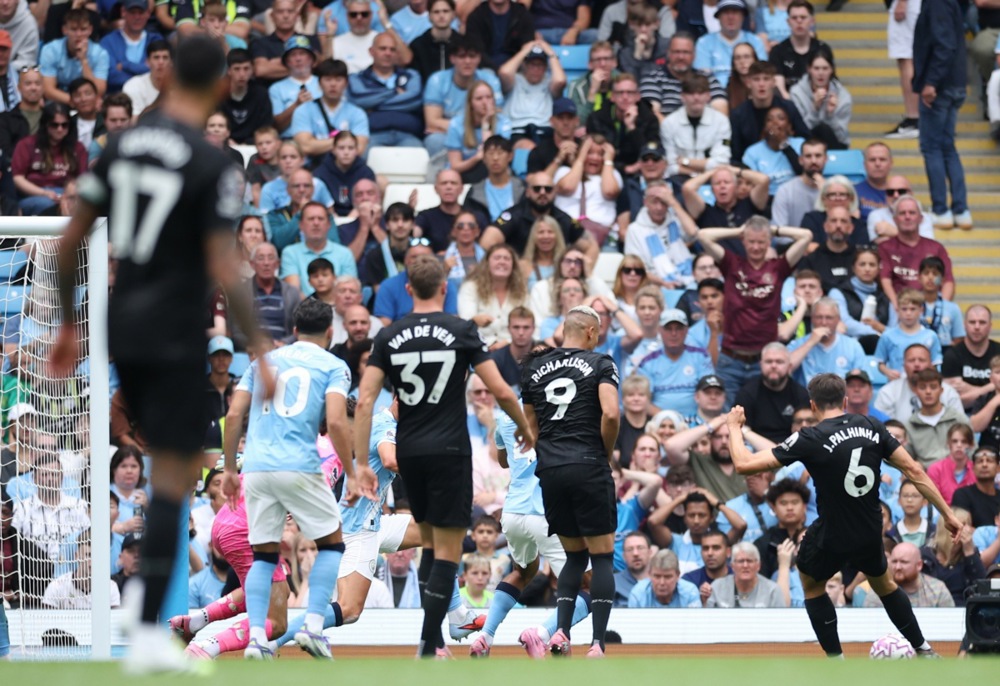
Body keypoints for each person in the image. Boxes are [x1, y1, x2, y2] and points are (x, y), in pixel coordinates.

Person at [50, 35, 275, 675]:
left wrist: (68, 324)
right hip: (177, 331)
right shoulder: (210, 164)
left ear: (170, 76)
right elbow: (226, 268)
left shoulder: (118, 145)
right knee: (174, 476)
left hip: (120, 323)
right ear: (219, 88)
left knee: (148, 461)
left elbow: (71, 242)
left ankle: (146, 623)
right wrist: (258, 350)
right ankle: (148, 631)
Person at [354, 254, 533, 658]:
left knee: (431, 543)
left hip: (411, 453)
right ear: (445, 288)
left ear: (407, 289)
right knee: (446, 552)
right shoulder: (462, 330)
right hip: (450, 450)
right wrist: (525, 428)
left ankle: (435, 640)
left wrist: (363, 465)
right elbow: (502, 391)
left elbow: (365, 401)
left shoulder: (389, 336)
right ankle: (426, 646)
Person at [726, 372, 964, 657]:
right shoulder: (871, 425)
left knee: (811, 583)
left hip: (832, 532)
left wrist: (733, 427)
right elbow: (914, 470)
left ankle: (837, 661)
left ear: (813, 406)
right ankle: (924, 649)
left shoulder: (810, 437)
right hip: (869, 529)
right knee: (885, 584)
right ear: (846, 400)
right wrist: (947, 514)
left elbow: (743, 464)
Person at [223, 298, 373, 659]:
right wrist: (352, 474)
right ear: (330, 331)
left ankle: (257, 639)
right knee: (333, 545)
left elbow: (233, 414)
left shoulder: (263, 363)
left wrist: (230, 468)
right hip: (299, 464)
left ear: (293, 330)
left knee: (264, 555)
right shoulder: (334, 366)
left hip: (256, 468)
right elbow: (337, 422)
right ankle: (314, 627)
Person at [520, 306, 619, 657]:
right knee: (603, 558)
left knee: (574, 556)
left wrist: (546, 449)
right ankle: (597, 644)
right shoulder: (601, 363)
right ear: (591, 332)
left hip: (551, 469)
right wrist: (605, 452)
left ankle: (561, 632)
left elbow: (528, 424)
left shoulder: (533, 367)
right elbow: (610, 413)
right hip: (589, 464)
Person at [696, 216, 813, 406]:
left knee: (762, 416)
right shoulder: (731, 264)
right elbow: (703, 235)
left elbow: (806, 236)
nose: (756, 247)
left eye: (761, 242)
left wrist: (773, 230)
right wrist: (740, 231)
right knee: (729, 421)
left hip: (763, 362)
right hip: (731, 359)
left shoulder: (778, 267)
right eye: (751, 241)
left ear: (769, 242)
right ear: (743, 241)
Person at [912, 0, 971, 230]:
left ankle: (941, 209)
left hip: (939, 87)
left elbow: (944, 45)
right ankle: (961, 210)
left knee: (932, 147)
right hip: (954, 83)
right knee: (947, 147)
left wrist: (930, 82)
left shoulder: (936, 3)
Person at [347, 32, 423, 148]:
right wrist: (394, 92)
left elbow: (414, 100)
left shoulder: (411, 76)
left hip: (408, 135)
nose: (388, 53)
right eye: (383, 49)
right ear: (371, 51)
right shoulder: (357, 78)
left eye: (392, 50)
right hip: (370, 135)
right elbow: (358, 99)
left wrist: (373, 105)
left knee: (419, 160)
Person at [11, 102, 88, 215]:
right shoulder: (27, 144)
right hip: (35, 195)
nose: (60, 129)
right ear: (45, 125)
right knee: (47, 204)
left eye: (64, 125)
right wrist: (44, 193)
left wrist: (68, 196)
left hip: (68, 194)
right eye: (54, 125)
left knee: (76, 203)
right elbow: (17, 178)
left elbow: (83, 179)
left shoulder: (78, 147)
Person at [877, 197, 954, 308]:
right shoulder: (885, 247)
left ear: (921, 218)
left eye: (912, 213)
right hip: (897, 307)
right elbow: (885, 280)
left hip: (930, 307)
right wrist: (897, 308)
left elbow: (947, 281)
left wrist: (942, 309)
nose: (907, 217)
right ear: (895, 219)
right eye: (902, 213)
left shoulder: (936, 248)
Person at [729, 60, 809, 164]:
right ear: (748, 83)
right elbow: (735, 151)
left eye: (766, 79)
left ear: (774, 82)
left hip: (786, 163)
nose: (761, 84)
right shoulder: (738, 114)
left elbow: (805, 138)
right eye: (756, 79)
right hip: (752, 166)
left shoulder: (788, 107)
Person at [662, 72, 733, 188]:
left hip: (712, 180)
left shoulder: (722, 122)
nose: (696, 98)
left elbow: (722, 162)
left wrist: (685, 161)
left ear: (709, 96)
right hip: (679, 180)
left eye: (700, 93)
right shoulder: (669, 123)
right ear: (682, 96)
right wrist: (698, 171)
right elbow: (670, 165)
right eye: (691, 93)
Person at [640, 32, 728, 120]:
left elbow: (721, 112)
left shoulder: (708, 79)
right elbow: (652, 114)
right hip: (665, 132)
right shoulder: (653, 79)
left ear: (694, 55)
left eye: (686, 52)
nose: (681, 57)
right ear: (668, 53)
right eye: (676, 52)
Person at [734, 342, 810, 443]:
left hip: (792, 449)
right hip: (755, 449)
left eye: (779, 362)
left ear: (789, 366)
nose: (773, 366)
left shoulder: (801, 394)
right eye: (769, 361)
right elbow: (740, 432)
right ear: (760, 365)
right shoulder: (747, 393)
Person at [585, 73, 659, 176]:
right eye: (620, 93)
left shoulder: (649, 119)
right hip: (605, 172)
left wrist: (632, 128)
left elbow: (651, 156)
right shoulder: (597, 118)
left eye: (630, 93)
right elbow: (594, 156)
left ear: (638, 96)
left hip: (639, 174)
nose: (625, 97)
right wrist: (624, 169)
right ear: (612, 97)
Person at [458, 244, 529, 349]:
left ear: (513, 265)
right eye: (497, 258)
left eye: (507, 259)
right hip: (478, 349)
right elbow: (466, 323)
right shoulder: (470, 288)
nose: (502, 262)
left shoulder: (522, 291)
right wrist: (490, 343)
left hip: (514, 349)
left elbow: (529, 323)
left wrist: (508, 343)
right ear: (487, 263)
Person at [498, 42, 565, 149]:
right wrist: (524, 51)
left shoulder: (549, 82)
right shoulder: (515, 80)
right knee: (529, 148)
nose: (536, 69)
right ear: (524, 65)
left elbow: (560, 81)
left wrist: (551, 53)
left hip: (545, 131)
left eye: (540, 65)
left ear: (545, 67)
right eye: (532, 64)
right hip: (517, 131)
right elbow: (504, 72)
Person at [39, 8, 110, 105]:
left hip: (89, 102)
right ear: (64, 30)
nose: (79, 34)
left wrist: (84, 60)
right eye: (73, 29)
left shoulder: (100, 54)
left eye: (83, 29)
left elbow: (99, 91)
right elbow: (48, 90)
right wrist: (76, 102)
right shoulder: (50, 50)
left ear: (90, 30)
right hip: (59, 100)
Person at [787, 298, 866, 385]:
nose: (824, 322)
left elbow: (861, 384)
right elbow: (785, 369)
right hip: (807, 396)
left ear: (838, 320)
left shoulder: (853, 346)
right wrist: (810, 342)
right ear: (812, 319)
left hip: (840, 396)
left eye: (829, 318)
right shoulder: (798, 343)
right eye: (819, 317)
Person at [875, 343, 963, 421]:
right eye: (911, 360)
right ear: (904, 366)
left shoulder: (948, 393)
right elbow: (882, 430)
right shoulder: (888, 393)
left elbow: (961, 427)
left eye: (922, 360)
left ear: (931, 365)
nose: (917, 365)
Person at [827, 247, 891, 354]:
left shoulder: (885, 296)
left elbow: (894, 329)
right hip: (848, 348)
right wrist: (875, 332)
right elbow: (845, 322)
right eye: (862, 264)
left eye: (872, 265)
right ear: (853, 268)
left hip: (883, 348)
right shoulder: (838, 292)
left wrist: (879, 327)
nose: (867, 269)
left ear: (878, 269)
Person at [692, 0, 767, 88]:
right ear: (718, 17)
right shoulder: (704, 43)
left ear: (743, 17)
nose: (730, 17)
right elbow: (702, 78)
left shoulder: (755, 41)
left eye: (735, 12)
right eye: (726, 13)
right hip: (714, 95)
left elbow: (762, 73)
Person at [789, 46, 852, 150]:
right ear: (809, 69)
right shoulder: (797, 93)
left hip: (834, 145)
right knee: (820, 129)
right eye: (816, 68)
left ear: (832, 70)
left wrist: (830, 116)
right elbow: (799, 132)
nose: (820, 73)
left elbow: (843, 138)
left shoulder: (843, 96)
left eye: (825, 68)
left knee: (825, 129)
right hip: (806, 145)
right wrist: (815, 109)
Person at [861, 541, 955, 609]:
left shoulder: (938, 589)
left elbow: (949, 626)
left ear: (919, 565)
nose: (897, 567)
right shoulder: (879, 591)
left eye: (903, 562)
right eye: (894, 561)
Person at [874, 288, 943, 378]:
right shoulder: (887, 335)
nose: (908, 313)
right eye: (904, 309)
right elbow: (880, 362)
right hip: (896, 384)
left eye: (913, 309)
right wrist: (888, 372)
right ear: (897, 310)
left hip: (922, 384)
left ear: (921, 310)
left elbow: (935, 364)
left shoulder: (930, 336)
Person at [100, 0, 163, 94]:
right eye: (132, 12)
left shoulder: (156, 40)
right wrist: (144, 70)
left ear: (148, 14)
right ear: (123, 12)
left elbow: (160, 72)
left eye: (141, 12)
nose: (137, 17)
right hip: (117, 98)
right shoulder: (107, 42)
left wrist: (125, 65)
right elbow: (111, 76)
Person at [944, 306, 1000, 410]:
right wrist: (992, 387)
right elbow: (955, 401)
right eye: (972, 322)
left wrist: (969, 389)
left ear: (990, 326)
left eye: (982, 322)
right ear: (964, 325)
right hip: (962, 415)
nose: (977, 327)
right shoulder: (952, 354)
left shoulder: (998, 352)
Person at [768, 0, 828, 98]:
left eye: (803, 17)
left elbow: (829, 83)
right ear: (788, 22)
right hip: (787, 106)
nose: (799, 21)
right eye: (794, 18)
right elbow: (779, 89)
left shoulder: (823, 49)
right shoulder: (777, 51)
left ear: (812, 21)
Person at [705, 541, 786, 607]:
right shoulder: (717, 587)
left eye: (750, 561)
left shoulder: (772, 591)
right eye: (740, 561)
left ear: (758, 565)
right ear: (732, 566)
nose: (745, 565)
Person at [221, 49, 274, 145]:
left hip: (255, 146)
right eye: (237, 69)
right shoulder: (219, 94)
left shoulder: (261, 94)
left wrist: (248, 143)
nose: (242, 74)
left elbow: (266, 127)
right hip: (224, 144)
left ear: (252, 70)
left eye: (246, 69)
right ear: (229, 71)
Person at [464, 0, 535, 70]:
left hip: (515, 69)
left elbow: (527, 48)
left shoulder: (522, 15)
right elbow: (476, 51)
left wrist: (510, 69)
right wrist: (497, 70)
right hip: (485, 69)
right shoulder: (476, 17)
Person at [627, 549, 701, 608]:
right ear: (649, 574)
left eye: (667, 577)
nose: (662, 582)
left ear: (677, 575)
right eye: (657, 576)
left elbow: (695, 625)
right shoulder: (638, 594)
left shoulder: (690, 592)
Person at [952, 449, 1000, 528]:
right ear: (973, 468)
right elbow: (962, 531)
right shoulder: (962, 495)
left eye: (989, 461)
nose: (984, 464)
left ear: (998, 468)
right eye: (980, 461)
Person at [855, 141, 893, 223]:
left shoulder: (899, 193)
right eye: (872, 160)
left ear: (891, 163)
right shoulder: (853, 193)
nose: (877, 164)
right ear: (864, 164)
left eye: (882, 159)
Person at [614, 530, 652, 606]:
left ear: (650, 552)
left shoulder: (662, 581)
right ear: (624, 556)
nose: (635, 554)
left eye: (640, 548)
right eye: (630, 549)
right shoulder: (613, 583)